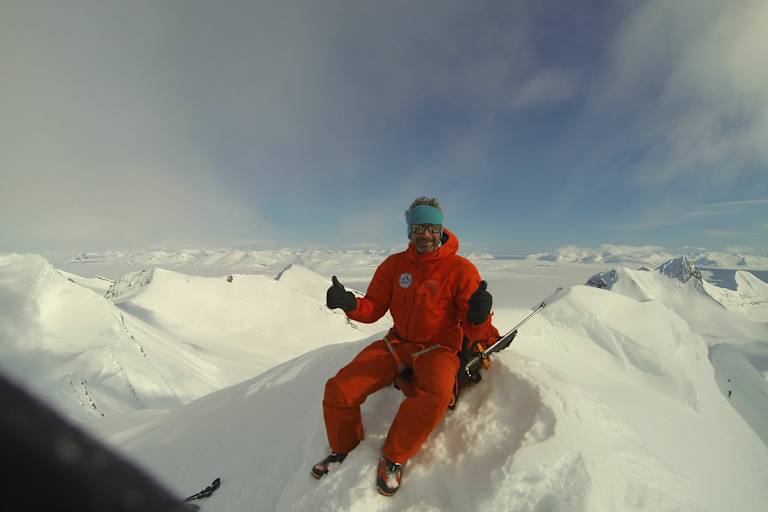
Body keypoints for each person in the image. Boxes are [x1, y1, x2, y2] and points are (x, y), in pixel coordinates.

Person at [311, 197, 495, 496]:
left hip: (440, 347)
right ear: (409, 231)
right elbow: (373, 308)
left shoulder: (461, 270)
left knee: (436, 393)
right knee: (339, 388)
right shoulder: (394, 266)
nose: (424, 235)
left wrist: (477, 315)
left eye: (431, 228)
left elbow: (476, 330)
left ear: (441, 230)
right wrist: (350, 304)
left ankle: (394, 457)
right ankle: (344, 448)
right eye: (417, 228)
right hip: (398, 342)